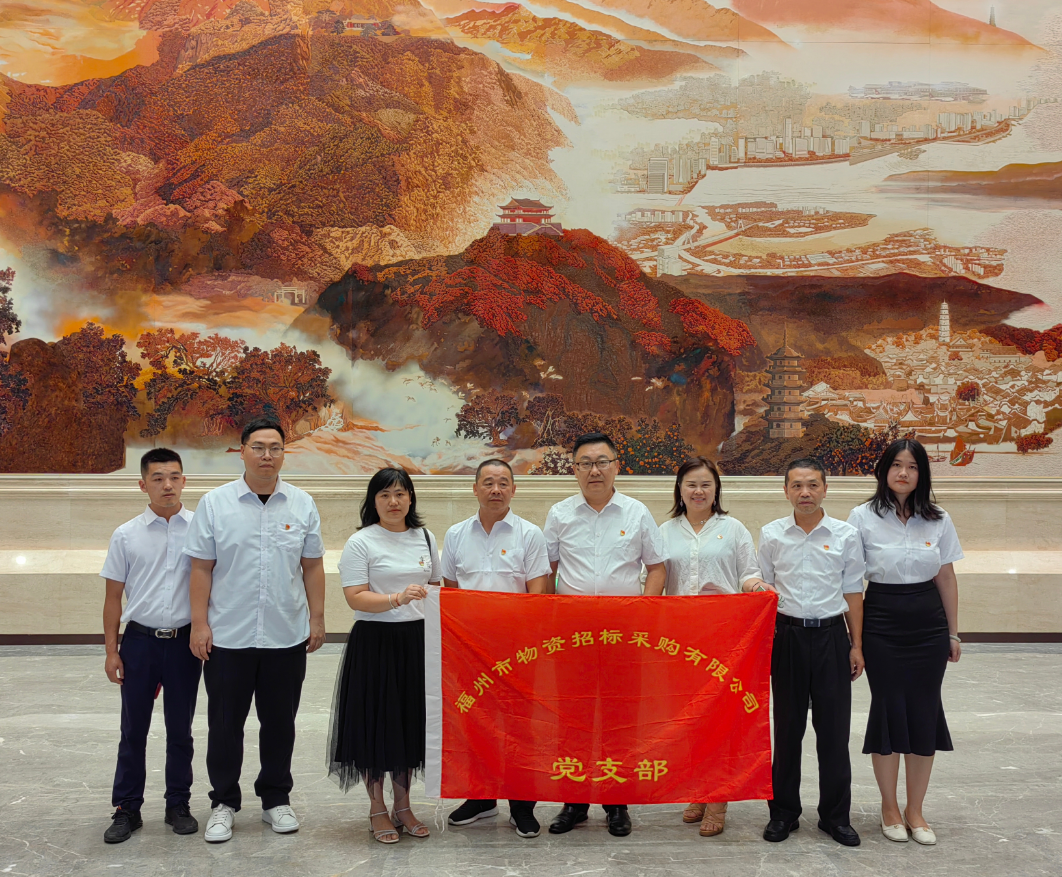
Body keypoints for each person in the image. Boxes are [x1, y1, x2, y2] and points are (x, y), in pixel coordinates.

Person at [184, 418, 327, 844]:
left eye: (275, 448)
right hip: (228, 635)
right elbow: (201, 568)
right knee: (225, 725)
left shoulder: (302, 503)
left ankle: (275, 799)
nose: (267, 455)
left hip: (285, 635)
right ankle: (223, 803)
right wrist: (199, 623)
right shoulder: (215, 503)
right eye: (259, 447)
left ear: (284, 453)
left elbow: (312, 566)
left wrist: (317, 618)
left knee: (280, 723)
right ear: (242, 451)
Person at [543, 432, 666, 839]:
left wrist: (643, 614)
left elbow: (657, 568)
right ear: (574, 469)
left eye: (601, 462)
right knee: (573, 718)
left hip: (622, 634)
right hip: (573, 634)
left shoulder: (636, 512)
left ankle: (617, 802)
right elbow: (547, 570)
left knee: (620, 718)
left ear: (616, 465)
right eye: (585, 463)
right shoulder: (560, 514)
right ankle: (574, 801)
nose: (594, 470)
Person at [847, 438, 963, 846]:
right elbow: (852, 582)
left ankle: (916, 810)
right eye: (896, 465)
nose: (903, 473)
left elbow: (945, 576)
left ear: (921, 474)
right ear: (883, 470)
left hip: (928, 624)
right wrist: (856, 641)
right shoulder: (861, 517)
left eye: (912, 467)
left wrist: (952, 632)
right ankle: (889, 807)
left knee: (924, 711)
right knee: (889, 709)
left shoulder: (938, 518)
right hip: (882, 620)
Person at [327, 467, 440, 844]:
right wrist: (396, 598)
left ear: (411, 498)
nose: (394, 502)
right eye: (385, 495)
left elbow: (435, 586)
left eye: (401, 493)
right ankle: (377, 807)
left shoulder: (425, 537)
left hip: (416, 641)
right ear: (373, 501)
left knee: (408, 724)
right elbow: (355, 596)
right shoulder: (361, 541)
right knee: (375, 725)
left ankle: (403, 806)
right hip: (375, 642)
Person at [757, 458, 866, 848]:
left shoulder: (846, 535)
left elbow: (853, 591)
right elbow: (764, 590)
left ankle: (835, 817)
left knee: (834, 733)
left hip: (832, 638)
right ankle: (783, 813)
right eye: (797, 486)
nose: (805, 492)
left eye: (813, 485)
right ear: (786, 491)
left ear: (825, 489)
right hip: (786, 637)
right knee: (787, 731)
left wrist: (856, 645)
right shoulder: (771, 534)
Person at [441, 459, 552, 839]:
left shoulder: (529, 534)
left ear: (514, 490)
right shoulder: (456, 534)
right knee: (475, 721)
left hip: (517, 650)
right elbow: (451, 589)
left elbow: (538, 591)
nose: (496, 489)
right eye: (488, 482)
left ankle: (522, 804)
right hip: (471, 648)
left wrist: (523, 640)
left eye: (503, 483)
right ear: (475, 489)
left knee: (519, 725)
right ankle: (481, 796)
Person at [658, 457, 768, 838]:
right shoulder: (665, 531)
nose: (698, 491)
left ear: (716, 489)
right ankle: (699, 789)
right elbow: (653, 579)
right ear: (680, 489)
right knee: (690, 718)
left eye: (706, 484)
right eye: (691, 484)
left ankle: (719, 796)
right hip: (679, 639)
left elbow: (748, 574)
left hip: (722, 635)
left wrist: (758, 588)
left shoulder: (733, 529)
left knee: (720, 717)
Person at [101, 449, 201, 844]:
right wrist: (112, 651)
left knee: (181, 730)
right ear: (143, 484)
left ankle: (178, 803)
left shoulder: (201, 529)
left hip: (184, 644)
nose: (167, 485)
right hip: (139, 643)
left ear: (184, 481)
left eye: (174, 477)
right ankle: (127, 808)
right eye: (158, 478)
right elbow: (113, 598)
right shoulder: (126, 534)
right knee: (133, 730)